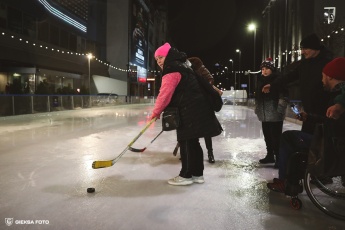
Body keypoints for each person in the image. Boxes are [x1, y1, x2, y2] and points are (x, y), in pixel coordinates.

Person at [267, 57, 345, 193]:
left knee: (288, 138)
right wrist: (309, 117)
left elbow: (333, 122)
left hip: (330, 147)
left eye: (323, 76)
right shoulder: (337, 96)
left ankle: (288, 182)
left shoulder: (337, 98)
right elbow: (329, 120)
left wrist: (339, 105)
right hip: (332, 143)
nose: (321, 80)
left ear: (331, 77)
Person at [149, 43, 222, 186]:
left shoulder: (172, 69)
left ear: (168, 56)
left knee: (186, 141)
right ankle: (197, 174)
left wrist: (156, 112)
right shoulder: (183, 66)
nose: (158, 60)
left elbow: (165, 94)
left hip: (189, 109)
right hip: (197, 108)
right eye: (156, 58)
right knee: (193, 142)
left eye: (161, 57)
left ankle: (186, 175)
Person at [262, 33, 333, 135]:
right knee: (306, 143)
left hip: (324, 113)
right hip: (308, 113)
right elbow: (289, 77)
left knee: (320, 144)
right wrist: (273, 85)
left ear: (315, 48)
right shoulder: (304, 64)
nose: (302, 52)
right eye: (302, 48)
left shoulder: (328, 63)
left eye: (305, 48)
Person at [187, 56, 223, 163]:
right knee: (191, 130)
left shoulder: (201, 68)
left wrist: (205, 87)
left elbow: (210, 79)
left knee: (206, 131)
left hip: (204, 103)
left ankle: (210, 153)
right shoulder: (188, 71)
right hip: (192, 102)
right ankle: (189, 152)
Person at [255, 58, 288, 168]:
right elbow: (258, 97)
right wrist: (258, 108)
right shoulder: (260, 80)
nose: (264, 71)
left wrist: (280, 110)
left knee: (276, 138)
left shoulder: (278, 80)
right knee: (267, 136)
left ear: (272, 69)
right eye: (263, 69)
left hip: (275, 114)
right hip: (264, 114)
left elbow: (284, 96)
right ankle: (270, 155)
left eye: (267, 69)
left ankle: (279, 158)